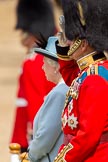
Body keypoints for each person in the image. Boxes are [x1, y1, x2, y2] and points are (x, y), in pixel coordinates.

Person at [54, 0, 108, 161]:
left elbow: (88, 136)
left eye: (71, 38)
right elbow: (71, 76)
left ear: (83, 44)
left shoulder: (95, 78)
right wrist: (63, 44)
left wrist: (63, 159)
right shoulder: (90, 72)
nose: (69, 41)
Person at [10, 0, 56, 153]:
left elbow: (36, 104)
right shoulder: (48, 56)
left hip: (30, 137)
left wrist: (37, 141)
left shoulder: (33, 61)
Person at [27, 36, 69, 162]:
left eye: (44, 62)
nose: (42, 67)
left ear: (56, 68)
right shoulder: (63, 89)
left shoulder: (59, 93)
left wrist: (30, 155)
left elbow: (45, 137)